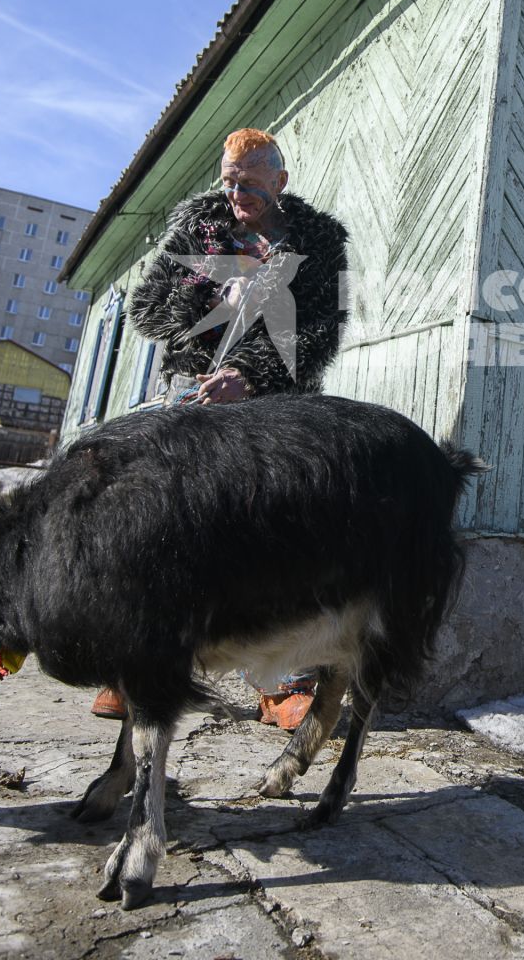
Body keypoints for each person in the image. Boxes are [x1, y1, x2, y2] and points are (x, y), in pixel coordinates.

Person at [89, 127, 350, 727]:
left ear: (280, 182)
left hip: (273, 407)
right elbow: (145, 308)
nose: (239, 194)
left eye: (252, 183)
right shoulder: (197, 229)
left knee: (276, 533)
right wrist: (208, 294)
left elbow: (323, 330)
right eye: (230, 182)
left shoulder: (320, 240)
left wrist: (251, 374)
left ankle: (281, 681)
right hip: (189, 399)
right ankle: (135, 671)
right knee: (157, 527)